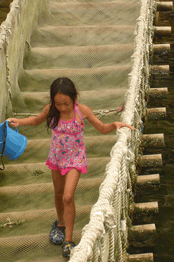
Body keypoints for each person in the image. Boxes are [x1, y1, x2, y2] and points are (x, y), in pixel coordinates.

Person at [8, 77, 134, 258]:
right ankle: (60, 223)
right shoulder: (51, 111)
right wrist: (19, 123)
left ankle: (68, 239)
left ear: (74, 97)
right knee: (58, 194)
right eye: (58, 104)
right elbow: (37, 120)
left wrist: (115, 125)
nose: (63, 108)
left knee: (68, 196)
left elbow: (102, 128)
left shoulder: (82, 111)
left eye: (66, 103)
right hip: (56, 158)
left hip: (75, 159)